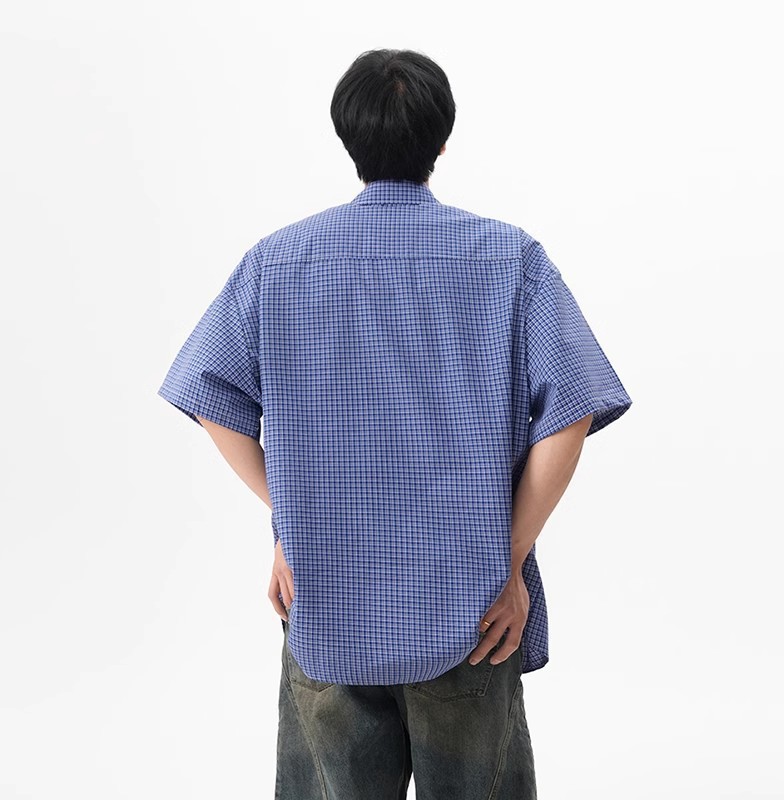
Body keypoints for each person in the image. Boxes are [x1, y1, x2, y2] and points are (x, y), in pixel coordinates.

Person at [157, 47, 632, 800]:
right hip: (472, 614)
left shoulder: (276, 263)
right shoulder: (510, 260)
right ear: (442, 140)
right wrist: (508, 562)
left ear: (347, 138)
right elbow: (569, 416)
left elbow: (212, 397)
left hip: (325, 598)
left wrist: (289, 520)